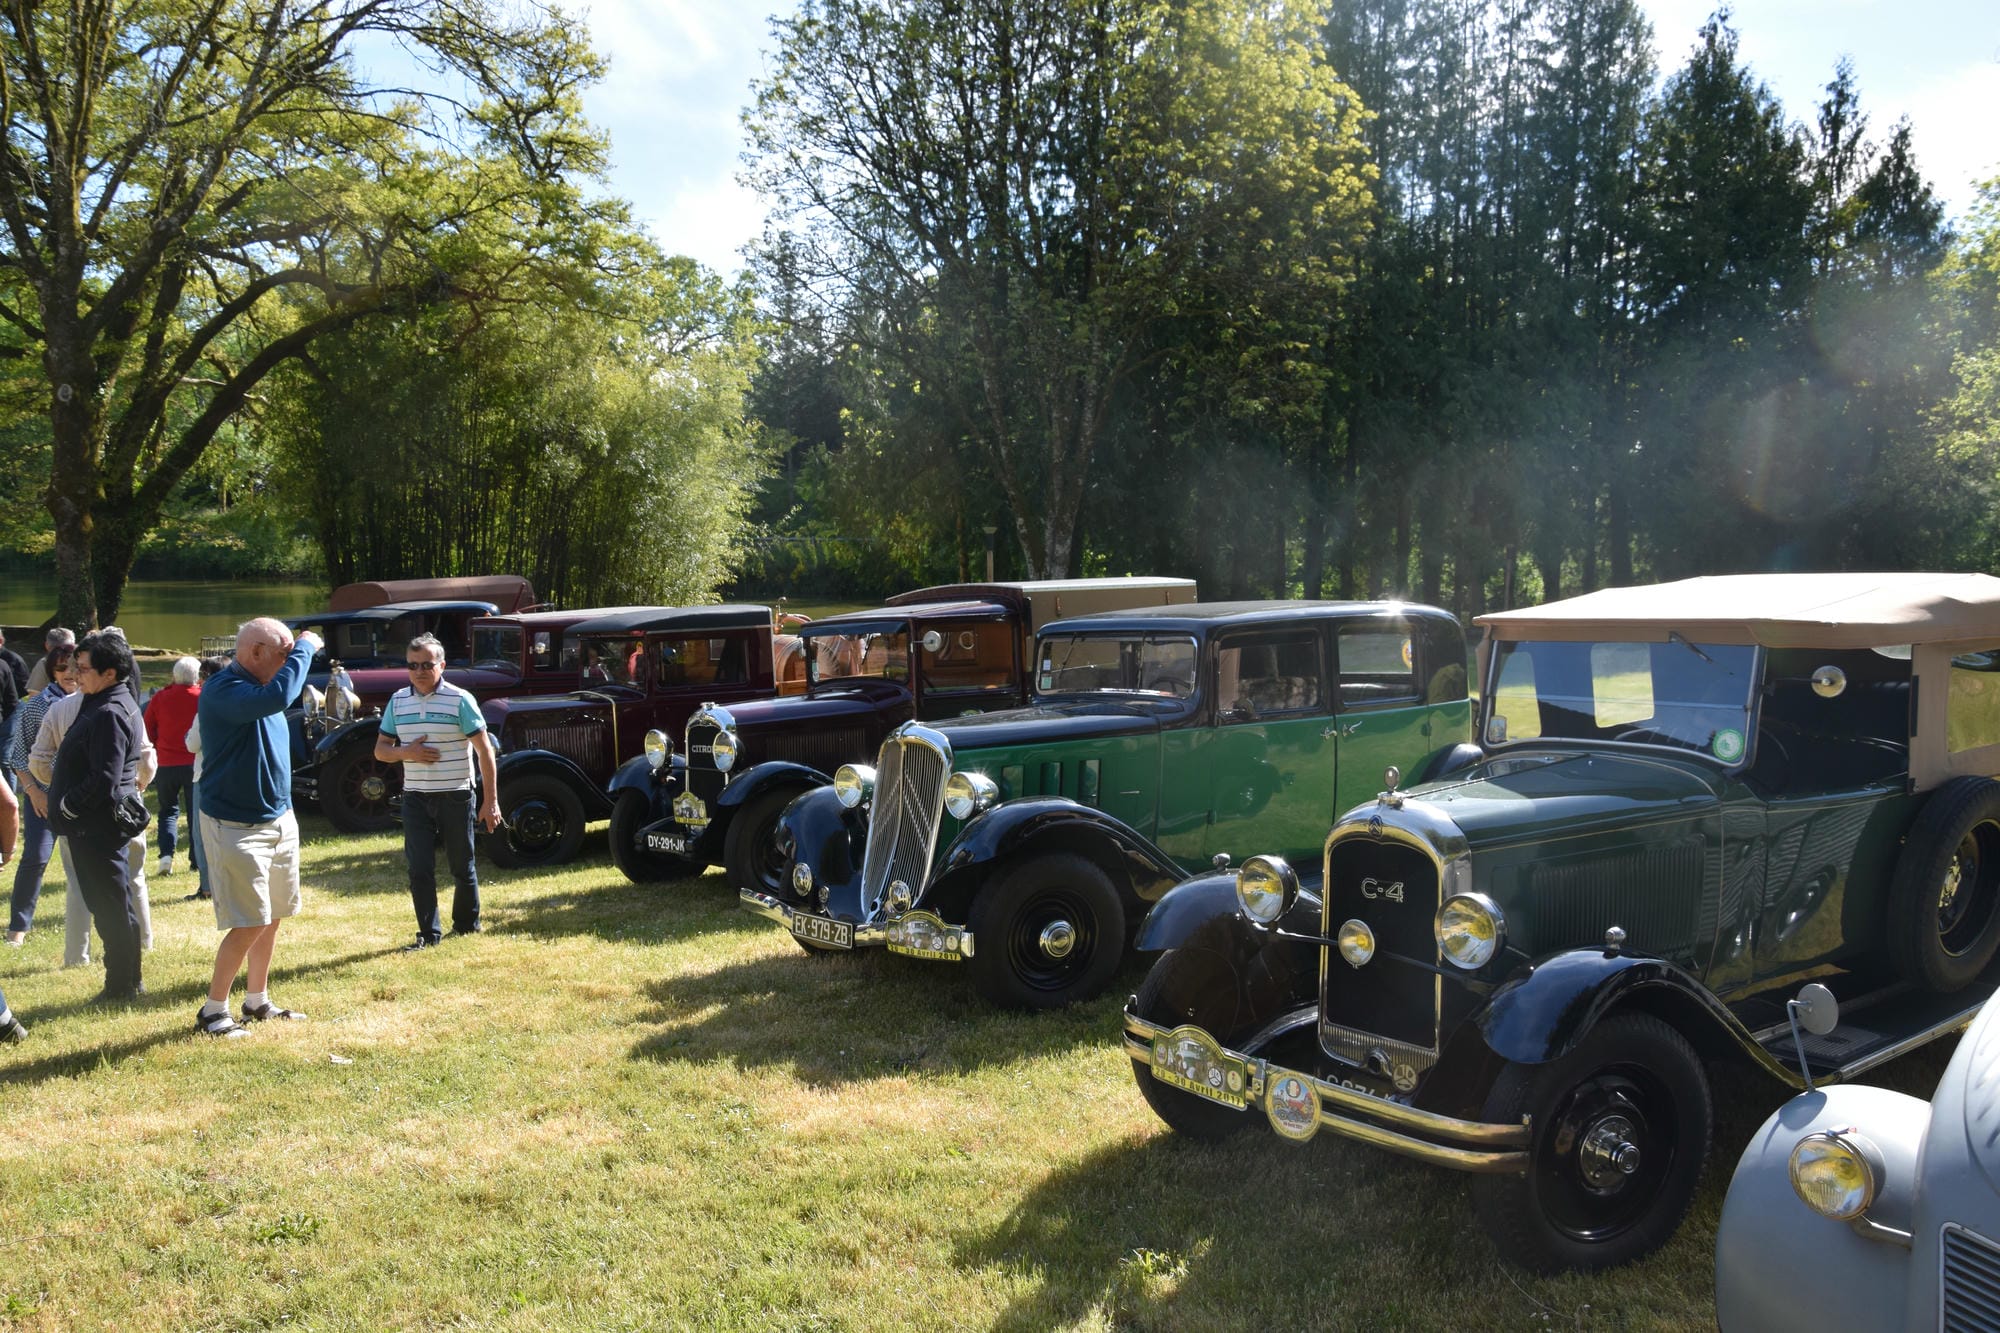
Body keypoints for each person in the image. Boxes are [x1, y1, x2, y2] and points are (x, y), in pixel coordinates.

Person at [193, 617, 320, 1037]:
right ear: (255, 653)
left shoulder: (261, 689)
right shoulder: (224, 690)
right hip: (236, 825)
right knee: (249, 919)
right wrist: (305, 646)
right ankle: (213, 1011)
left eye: (290, 655)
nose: (289, 664)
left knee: (273, 915)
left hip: (278, 819)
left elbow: (279, 694)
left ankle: (257, 1000)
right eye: (283, 655)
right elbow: (281, 694)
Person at [29, 640, 156, 964]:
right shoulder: (102, 698)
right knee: (105, 904)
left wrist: (67, 806)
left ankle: (123, 982)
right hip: (91, 827)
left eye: (83, 668)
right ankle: (121, 978)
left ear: (109, 673)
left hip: (96, 828)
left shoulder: (109, 711)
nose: (75, 674)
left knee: (111, 906)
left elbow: (104, 778)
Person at [375, 633, 500, 949]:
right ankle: (429, 935)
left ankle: (467, 925)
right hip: (415, 797)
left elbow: (485, 751)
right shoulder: (397, 701)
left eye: (426, 665)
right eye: (413, 665)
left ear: (441, 665)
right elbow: (380, 750)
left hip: (456, 794)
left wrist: (491, 802)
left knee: (462, 864)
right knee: (419, 869)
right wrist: (407, 753)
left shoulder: (460, 700)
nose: (419, 671)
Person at [7, 645, 90, 957]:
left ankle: (92, 929)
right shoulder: (35, 706)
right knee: (36, 858)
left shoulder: (92, 704)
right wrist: (34, 791)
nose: (69, 674)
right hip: (42, 796)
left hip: (81, 798)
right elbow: (19, 756)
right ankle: (18, 927)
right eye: (60, 669)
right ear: (50, 672)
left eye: (75, 667)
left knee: (86, 862)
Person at [144, 656, 201, 877]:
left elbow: (148, 728)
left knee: (167, 811)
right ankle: (196, 859)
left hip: (166, 763)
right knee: (195, 813)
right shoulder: (201, 697)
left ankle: (166, 857)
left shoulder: (160, 698)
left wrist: (159, 746)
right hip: (192, 763)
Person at [182, 655, 226, 903]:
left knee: (202, 835)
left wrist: (189, 735)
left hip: (205, 775)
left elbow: (192, 744)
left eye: (203, 676)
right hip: (229, 775)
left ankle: (208, 887)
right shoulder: (237, 702)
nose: (199, 681)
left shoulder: (207, 706)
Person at [23, 627, 76, 695]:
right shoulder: (43, 664)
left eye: (75, 667)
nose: (68, 672)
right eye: (61, 668)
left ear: (47, 645)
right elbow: (35, 696)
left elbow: (34, 695)